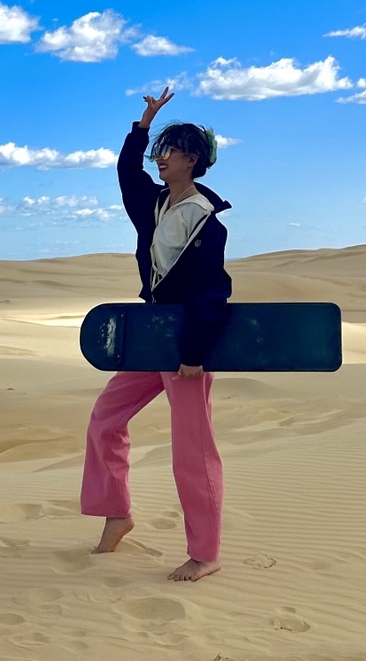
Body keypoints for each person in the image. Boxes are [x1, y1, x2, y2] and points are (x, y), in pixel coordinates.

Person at [80, 86, 232, 582]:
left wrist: (193, 353)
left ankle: (205, 554)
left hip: (187, 348)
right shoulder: (154, 204)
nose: (160, 158)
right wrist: (142, 125)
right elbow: (128, 173)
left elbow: (211, 293)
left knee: (192, 449)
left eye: (169, 151)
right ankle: (117, 514)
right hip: (151, 337)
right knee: (105, 419)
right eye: (159, 151)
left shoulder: (205, 220)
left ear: (192, 160)